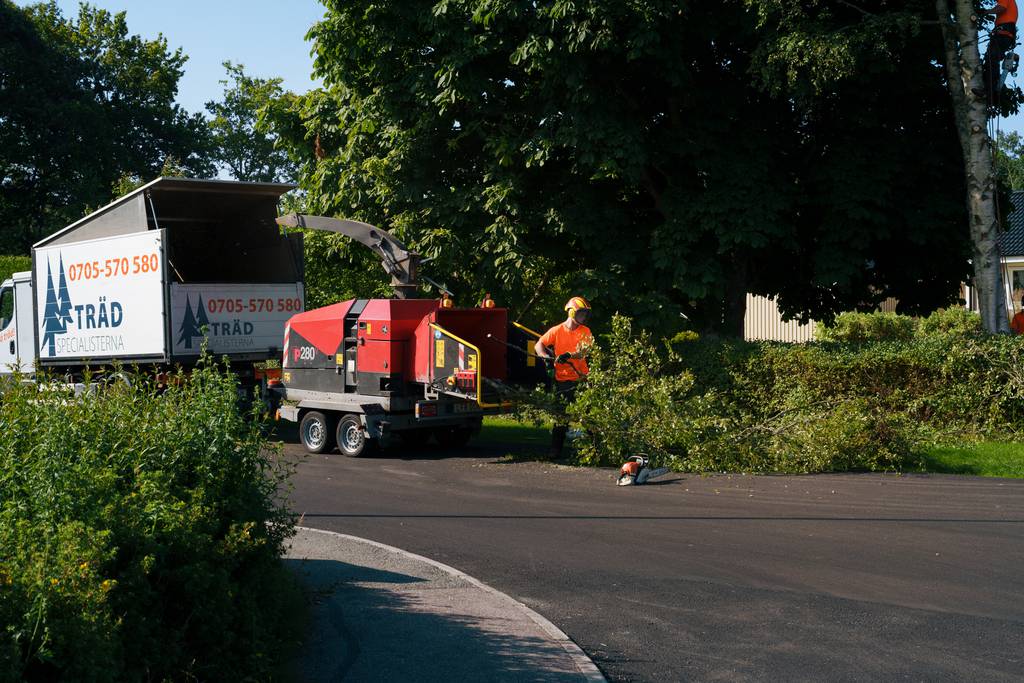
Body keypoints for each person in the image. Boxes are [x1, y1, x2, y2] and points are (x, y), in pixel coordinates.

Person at [534, 296, 594, 458]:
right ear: (572, 312)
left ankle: (596, 449)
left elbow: (584, 351)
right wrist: (544, 356)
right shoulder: (557, 330)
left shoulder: (585, 331)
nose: (584, 317)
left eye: (585, 314)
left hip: (582, 380)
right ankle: (555, 450)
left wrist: (569, 355)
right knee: (560, 416)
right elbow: (539, 344)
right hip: (563, 381)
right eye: (581, 314)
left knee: (590, 417)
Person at [977, 0, 1018, 103]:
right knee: (991, 59)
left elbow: (1001, 8)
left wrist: (985, 12)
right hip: (1004, 34)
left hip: (1003, 34)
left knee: (991, 60)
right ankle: (991, 89)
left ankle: (989, 91)